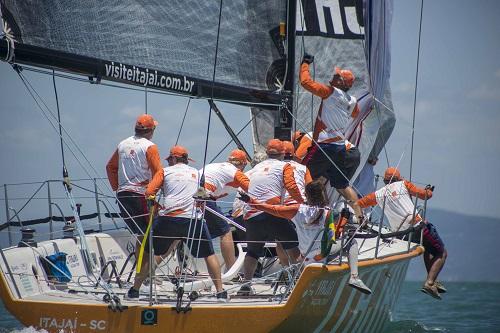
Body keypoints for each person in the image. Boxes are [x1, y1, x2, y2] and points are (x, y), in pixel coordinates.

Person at [127, 145, 227, 301]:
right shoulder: (197, 173)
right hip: (193, 220)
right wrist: (210, 197)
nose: (168, 163)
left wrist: (153, 204)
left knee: (147, 252)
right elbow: (202, 193)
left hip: (168, 219)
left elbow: (149, 192)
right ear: (186, 160)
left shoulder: (165, 172)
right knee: (209, 254)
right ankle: (221, 292)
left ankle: (135, 290)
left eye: (169, 160)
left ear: (173, 159)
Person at [238, 180, 372, 294]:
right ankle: (354, 277)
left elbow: (271, 209)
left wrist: (251, 201)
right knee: (350, 240)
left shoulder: (297, 210)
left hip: (304, 255)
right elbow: (335, 234)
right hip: (322, 254)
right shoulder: (330, 213)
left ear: (306, 195)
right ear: (323, 194)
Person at [354, 167, 447, 300]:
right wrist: (429, 190)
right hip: (417, 226)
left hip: (401, 234)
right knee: (442, 253)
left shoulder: (378, 194)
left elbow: (357, 204)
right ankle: (430, 282)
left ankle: (431, 280)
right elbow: (425, 196)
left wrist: (360, 219)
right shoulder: (404, 184)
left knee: (427, 248)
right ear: (399, 178)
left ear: (385, 181)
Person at [299, 54, 363, 219]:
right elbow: (356, 114)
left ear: (341, 82)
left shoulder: (331, 92)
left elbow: (306, 83)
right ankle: (360, 216)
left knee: (302, 175)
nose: (332, 77)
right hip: (340, 147)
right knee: (341, 184)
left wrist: (305, 64)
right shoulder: (353, 101)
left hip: (324, 146)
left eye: (336, 76)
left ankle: (310, 216)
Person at [237, 139, 304, 295]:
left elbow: (244, 187)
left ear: (267, 153)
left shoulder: (254, 169)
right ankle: (301, 282)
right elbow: (291, 186)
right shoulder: (284, 166)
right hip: (273, 212)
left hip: (251, 214)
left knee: (253, 251)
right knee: (293, 247)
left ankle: (246, 285)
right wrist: (302, 202)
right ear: (282, 154)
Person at [106, 114, 163, 264]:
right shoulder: (150, 146)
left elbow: (110, 167)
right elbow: (159, 173)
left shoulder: (122, 144)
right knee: (155, 231)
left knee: (141, 234)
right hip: (141, 195)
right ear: (151, 130)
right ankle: (146, 273)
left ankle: (142, 272)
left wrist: (116, 188)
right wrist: (153, 192)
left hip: (123, 195)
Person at [199, 149, 250, 271]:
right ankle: (232, 271)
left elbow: (217, 189)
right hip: (202, 196)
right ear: (242, 164)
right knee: (225, 232)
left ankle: (151, 269)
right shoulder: (234, 171)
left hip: (191, 195)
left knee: (180, 234)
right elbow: (251, 187)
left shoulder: (215, 166)